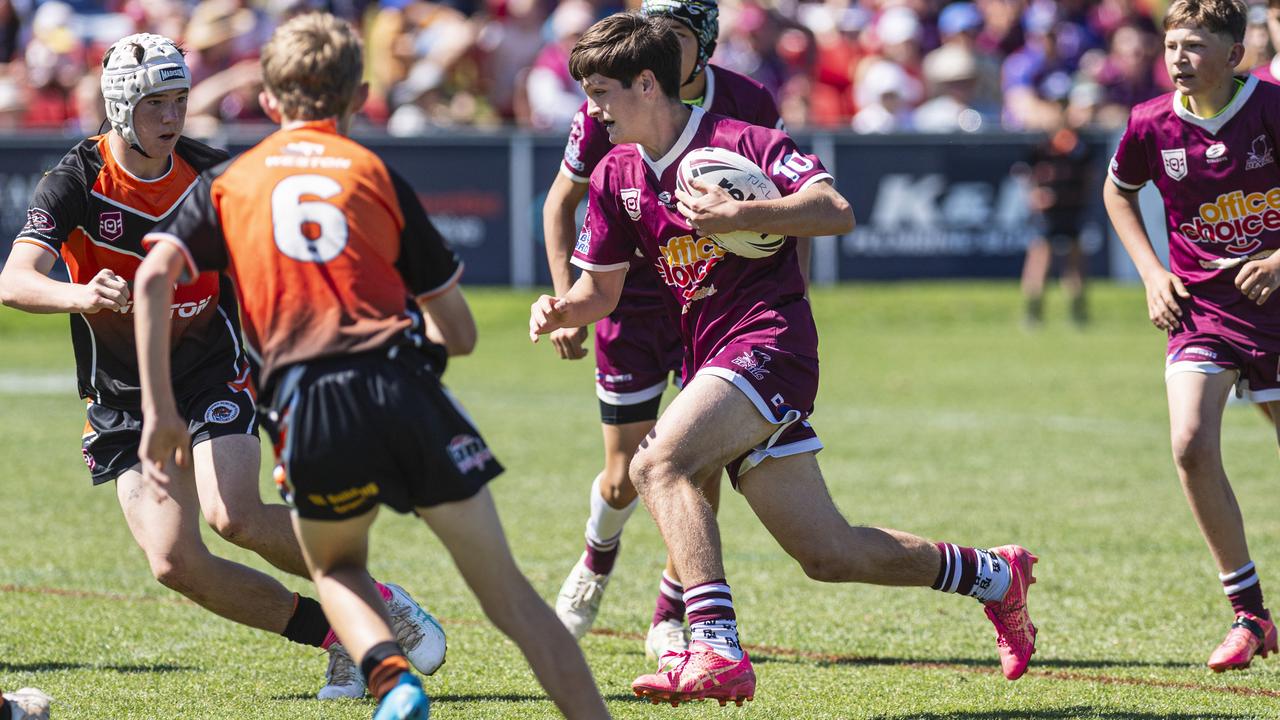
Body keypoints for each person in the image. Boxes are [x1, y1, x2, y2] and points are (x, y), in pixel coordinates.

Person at [531, 12, 1040, 705]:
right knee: (829, 554)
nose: (590, 110)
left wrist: (739, 218)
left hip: (771, 343)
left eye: (600, 93)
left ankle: (713, 647)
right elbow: (601, 290)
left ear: (646, 84)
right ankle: (995, 576)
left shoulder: (743, 140)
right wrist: (562, 307)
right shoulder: (616, 172)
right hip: (713, 353)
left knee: (658, 463)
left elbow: (835, 210)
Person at [132, 13, 611, 720]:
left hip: (307, 405)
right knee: (509, 595)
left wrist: (161, 411)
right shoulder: (375, 174)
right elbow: (461, 332)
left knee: (340, 569)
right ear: (359, 96)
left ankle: (394, 677)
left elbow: (151, 280)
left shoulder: (231, 182)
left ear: (269, 102)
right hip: (401, 384)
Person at [0, 32, 445, 700]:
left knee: (231, 513)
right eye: (156, 104)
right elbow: (14, 279)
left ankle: (380, 605)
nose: (173, 117)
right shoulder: (74, 182)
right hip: (123, 394)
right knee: (175, 563)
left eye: (179, 101)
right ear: (122, 107)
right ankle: (338, 636)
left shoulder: (212, 175)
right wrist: (79, 293)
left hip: (210, 368)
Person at [542, 0, 797, 660]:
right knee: (625, 475)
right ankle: (597, 560)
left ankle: (671, 611)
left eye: (675, 35)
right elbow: (560, 204)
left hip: (713, 301)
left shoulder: (746, 102)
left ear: (703, 42)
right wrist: (565, 299)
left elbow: (782, 203)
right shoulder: (610, 98)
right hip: (625, 297)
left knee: (692, 456)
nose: (660, 44)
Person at [1104, 0, 1280, 672]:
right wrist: (1152, 273)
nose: (1180, 57)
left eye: (1197, 45)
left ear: (1235, 55)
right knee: (1188, 444)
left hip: (1277, 304)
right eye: (1173, 44)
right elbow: (1118, 192)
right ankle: (1249, 615)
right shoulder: (1150, 121)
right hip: (1202, 309)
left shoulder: (1270, 108)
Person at [1019, 97, 1097, 327]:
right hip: (1047, 213)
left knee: (1075, 260)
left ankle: (1078, 310)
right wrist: (1035, 195)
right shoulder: (1040, 143)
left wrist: (1081, 198)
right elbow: (1025, 173)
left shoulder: (1079, 143)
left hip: (1072, 209)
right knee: (1040, 256)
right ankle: (1033, 311)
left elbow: (1089, 174)